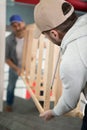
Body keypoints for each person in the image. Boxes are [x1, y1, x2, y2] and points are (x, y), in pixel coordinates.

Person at [34, 0, 87, 130]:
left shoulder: (71, 59)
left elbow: (70, 102)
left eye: (46, 36)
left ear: (54, 34)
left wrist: (54, 112)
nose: (47, 39)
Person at [5, 14, 26, 112]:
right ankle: (9, 104)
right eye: (14, 26)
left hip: (28, 66)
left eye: (19, 24)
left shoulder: (30, 36)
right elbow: (6, 58)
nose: (17, 28)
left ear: (23, 23)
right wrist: (16, 69)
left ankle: (42, 103)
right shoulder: (8, 40)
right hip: (15, 66)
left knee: (41, 82)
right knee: (10, 87)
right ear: (12, 27)